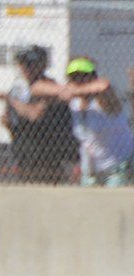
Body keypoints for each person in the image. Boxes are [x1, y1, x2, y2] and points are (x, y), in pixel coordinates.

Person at [0, 46, 76, 183]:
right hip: (23, 150)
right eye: (22, 64)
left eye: (30, 64)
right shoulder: (18, 89)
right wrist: (7, 121)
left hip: (47, 152)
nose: (26, 68)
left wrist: (11, 100)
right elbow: (9, 119)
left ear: (42, 65)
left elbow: (34, 114)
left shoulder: (49, 87)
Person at [58, 57, 133, 186]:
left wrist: (74, 90)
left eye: (84, 76)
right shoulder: (74, 103)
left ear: (93, 77)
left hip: (118, 166)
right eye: (74, 77)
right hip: (92, 170)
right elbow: (37, 88)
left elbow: (104, 85)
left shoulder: (105, 100)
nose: (79, 80)